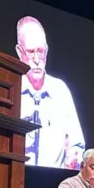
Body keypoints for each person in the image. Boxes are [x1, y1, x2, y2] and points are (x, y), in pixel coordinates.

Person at [16, 16, 86, 169]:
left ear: (47, 51)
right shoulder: (11, 88)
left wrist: (74, 157)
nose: (36, 59)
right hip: (16, 181)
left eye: (40, 52)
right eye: (30, 52)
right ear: (20, 52)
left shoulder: (60, 91)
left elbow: (77, 145)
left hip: (53, 185)